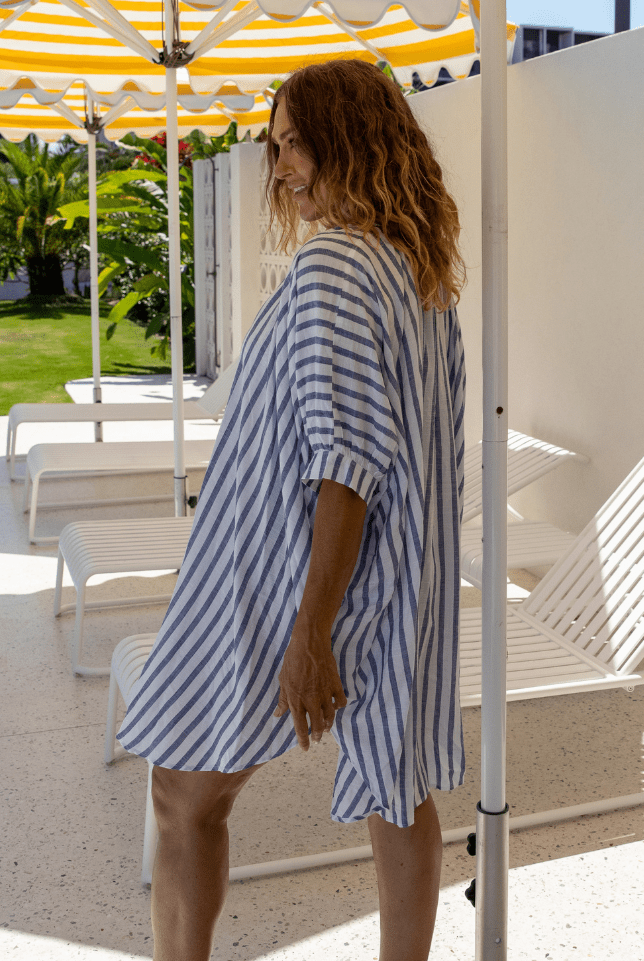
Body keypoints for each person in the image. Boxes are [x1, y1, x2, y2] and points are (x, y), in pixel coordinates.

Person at [117, 58, 467, 961]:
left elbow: (344, 462)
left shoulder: (335, 268)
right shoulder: (420, 279)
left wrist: (310, 631)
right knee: (398, 786)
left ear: (350, 140)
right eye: (275, 150)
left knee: (182, 789)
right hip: (395, 575)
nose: (278, 169)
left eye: (293, 145)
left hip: (283, 578)